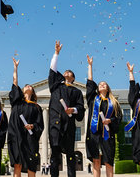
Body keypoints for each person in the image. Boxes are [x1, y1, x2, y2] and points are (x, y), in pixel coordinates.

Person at [48, 41, 85, 177]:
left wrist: (73, 110)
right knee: (55, 154)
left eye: (70, 72)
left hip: (69, 126)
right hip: (55, 125)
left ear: (73, 78)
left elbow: (81, 107)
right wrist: (56, 53)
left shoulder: (77, 92)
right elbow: (52, 69)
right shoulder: (56, 86)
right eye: (65, 71)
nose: (66, 72)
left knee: (70, 155)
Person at [85, 55, 122, 177]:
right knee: (96, 160)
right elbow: (90, 83)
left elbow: (119, 118)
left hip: (108, 134)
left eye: (104, 84)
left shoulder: (114, 102)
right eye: (100, 84)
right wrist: (90, 65)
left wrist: (110, 121)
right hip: (94, 134)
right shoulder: (93, 99)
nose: (101, 85)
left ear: (107, 88)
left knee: (108, 161)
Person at [8, 58, 44, 177]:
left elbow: (40, 124)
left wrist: (33, 126)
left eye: (30, 86)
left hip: (30, 138)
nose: (28, 86)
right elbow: (14, 84)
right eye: (26, 86)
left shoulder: (37, 107)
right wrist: (15, 68)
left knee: (31, 164)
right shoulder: (17, 102)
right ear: (22, 91)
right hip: (16, 135)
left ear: (33, 92)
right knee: (17, 163)